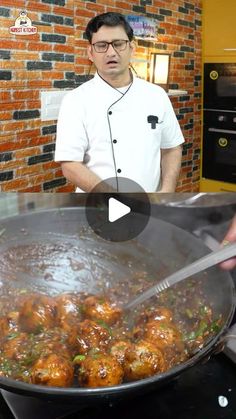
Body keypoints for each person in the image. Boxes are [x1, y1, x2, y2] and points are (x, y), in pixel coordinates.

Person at [55, 12, 184, 193]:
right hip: (97, 206)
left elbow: (171, 148)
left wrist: (166, 192)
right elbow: (69, 164)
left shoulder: (156, 95)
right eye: (101, 45)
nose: (111, 52)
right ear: (90, 53)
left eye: (118, 44)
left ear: (131, 48)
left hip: (149, 205)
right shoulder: (76, 100)